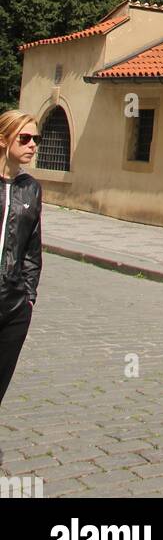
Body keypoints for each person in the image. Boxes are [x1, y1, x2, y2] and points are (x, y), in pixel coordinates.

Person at [0, 111, 43, 407]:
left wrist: (28, 297)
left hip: (14, 307)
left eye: (36, 139)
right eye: (24, 138)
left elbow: (32, 249)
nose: (32, 145)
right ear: (3, 140)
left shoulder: (31, 188)